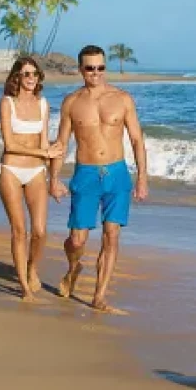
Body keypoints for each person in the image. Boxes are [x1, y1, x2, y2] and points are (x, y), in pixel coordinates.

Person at [55, 44, 149, 312]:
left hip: (117, 174)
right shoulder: (72, 102)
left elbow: (136, 140)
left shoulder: (123, 99)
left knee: (112, 235)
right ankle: (73, 268)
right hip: (86, 173)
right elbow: (61, 143)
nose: (95, 73)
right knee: (77, 240)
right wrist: (53, 178)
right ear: (80, 69)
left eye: (100, 68)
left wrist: (142, 177)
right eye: (90, 68)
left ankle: (99, 296)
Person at [0, 55, 63, 299]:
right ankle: (24, 287)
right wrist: (43, 151)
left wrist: (54, 176)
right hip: (11, 170)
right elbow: (10, 145)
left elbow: (45, 142)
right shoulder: (7, 103)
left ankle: (32, 269)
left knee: (40, 231)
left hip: (36, 171)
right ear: (17, 77)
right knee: (19, 230)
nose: (31, 78)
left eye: (35, 74)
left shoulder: (43, 104)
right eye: (26, 74)